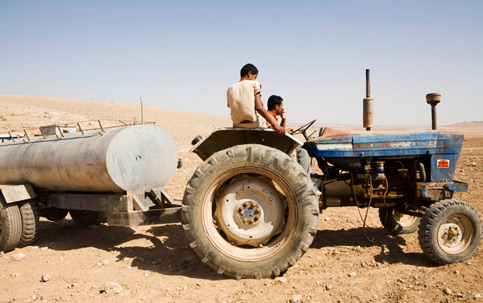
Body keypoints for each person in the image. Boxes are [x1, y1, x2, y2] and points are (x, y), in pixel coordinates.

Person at [227, 64, 285, 134]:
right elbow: (258, 107)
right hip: (253, 124)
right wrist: (275, 125)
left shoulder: (230, 89)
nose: (255, 79)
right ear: (249, 74)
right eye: (255, 77)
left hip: (236, 125)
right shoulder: (254, 83)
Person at [266, 95, 311, 173]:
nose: (282, 108)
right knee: (303, 151)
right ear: (277, 106)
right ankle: (304, 178)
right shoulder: (268, 116)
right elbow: (274, 132)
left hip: (276, 142)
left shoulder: (271, 116)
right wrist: (286, 130)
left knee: (302, 147)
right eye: (282, 105)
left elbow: (279, 131)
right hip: (274, 144)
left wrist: (284, 119)